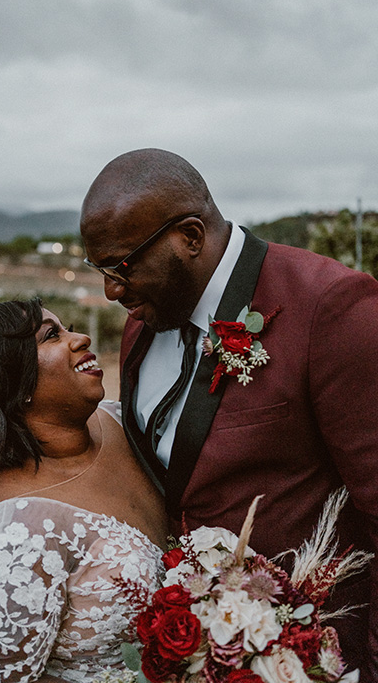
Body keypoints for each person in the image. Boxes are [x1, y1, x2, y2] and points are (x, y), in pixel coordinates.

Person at [80, 148, 378, 680]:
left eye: (121, 266)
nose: (111, 290)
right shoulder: (143, 324)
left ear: (190, 237)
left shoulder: (331, 307)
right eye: (98, 268)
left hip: (319, 655)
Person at [0, 298, 167, 683]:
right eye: (52, 335)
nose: (81, 338)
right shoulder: (8, 533)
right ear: (12, 382)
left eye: (66, 327)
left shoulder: (121, 421)